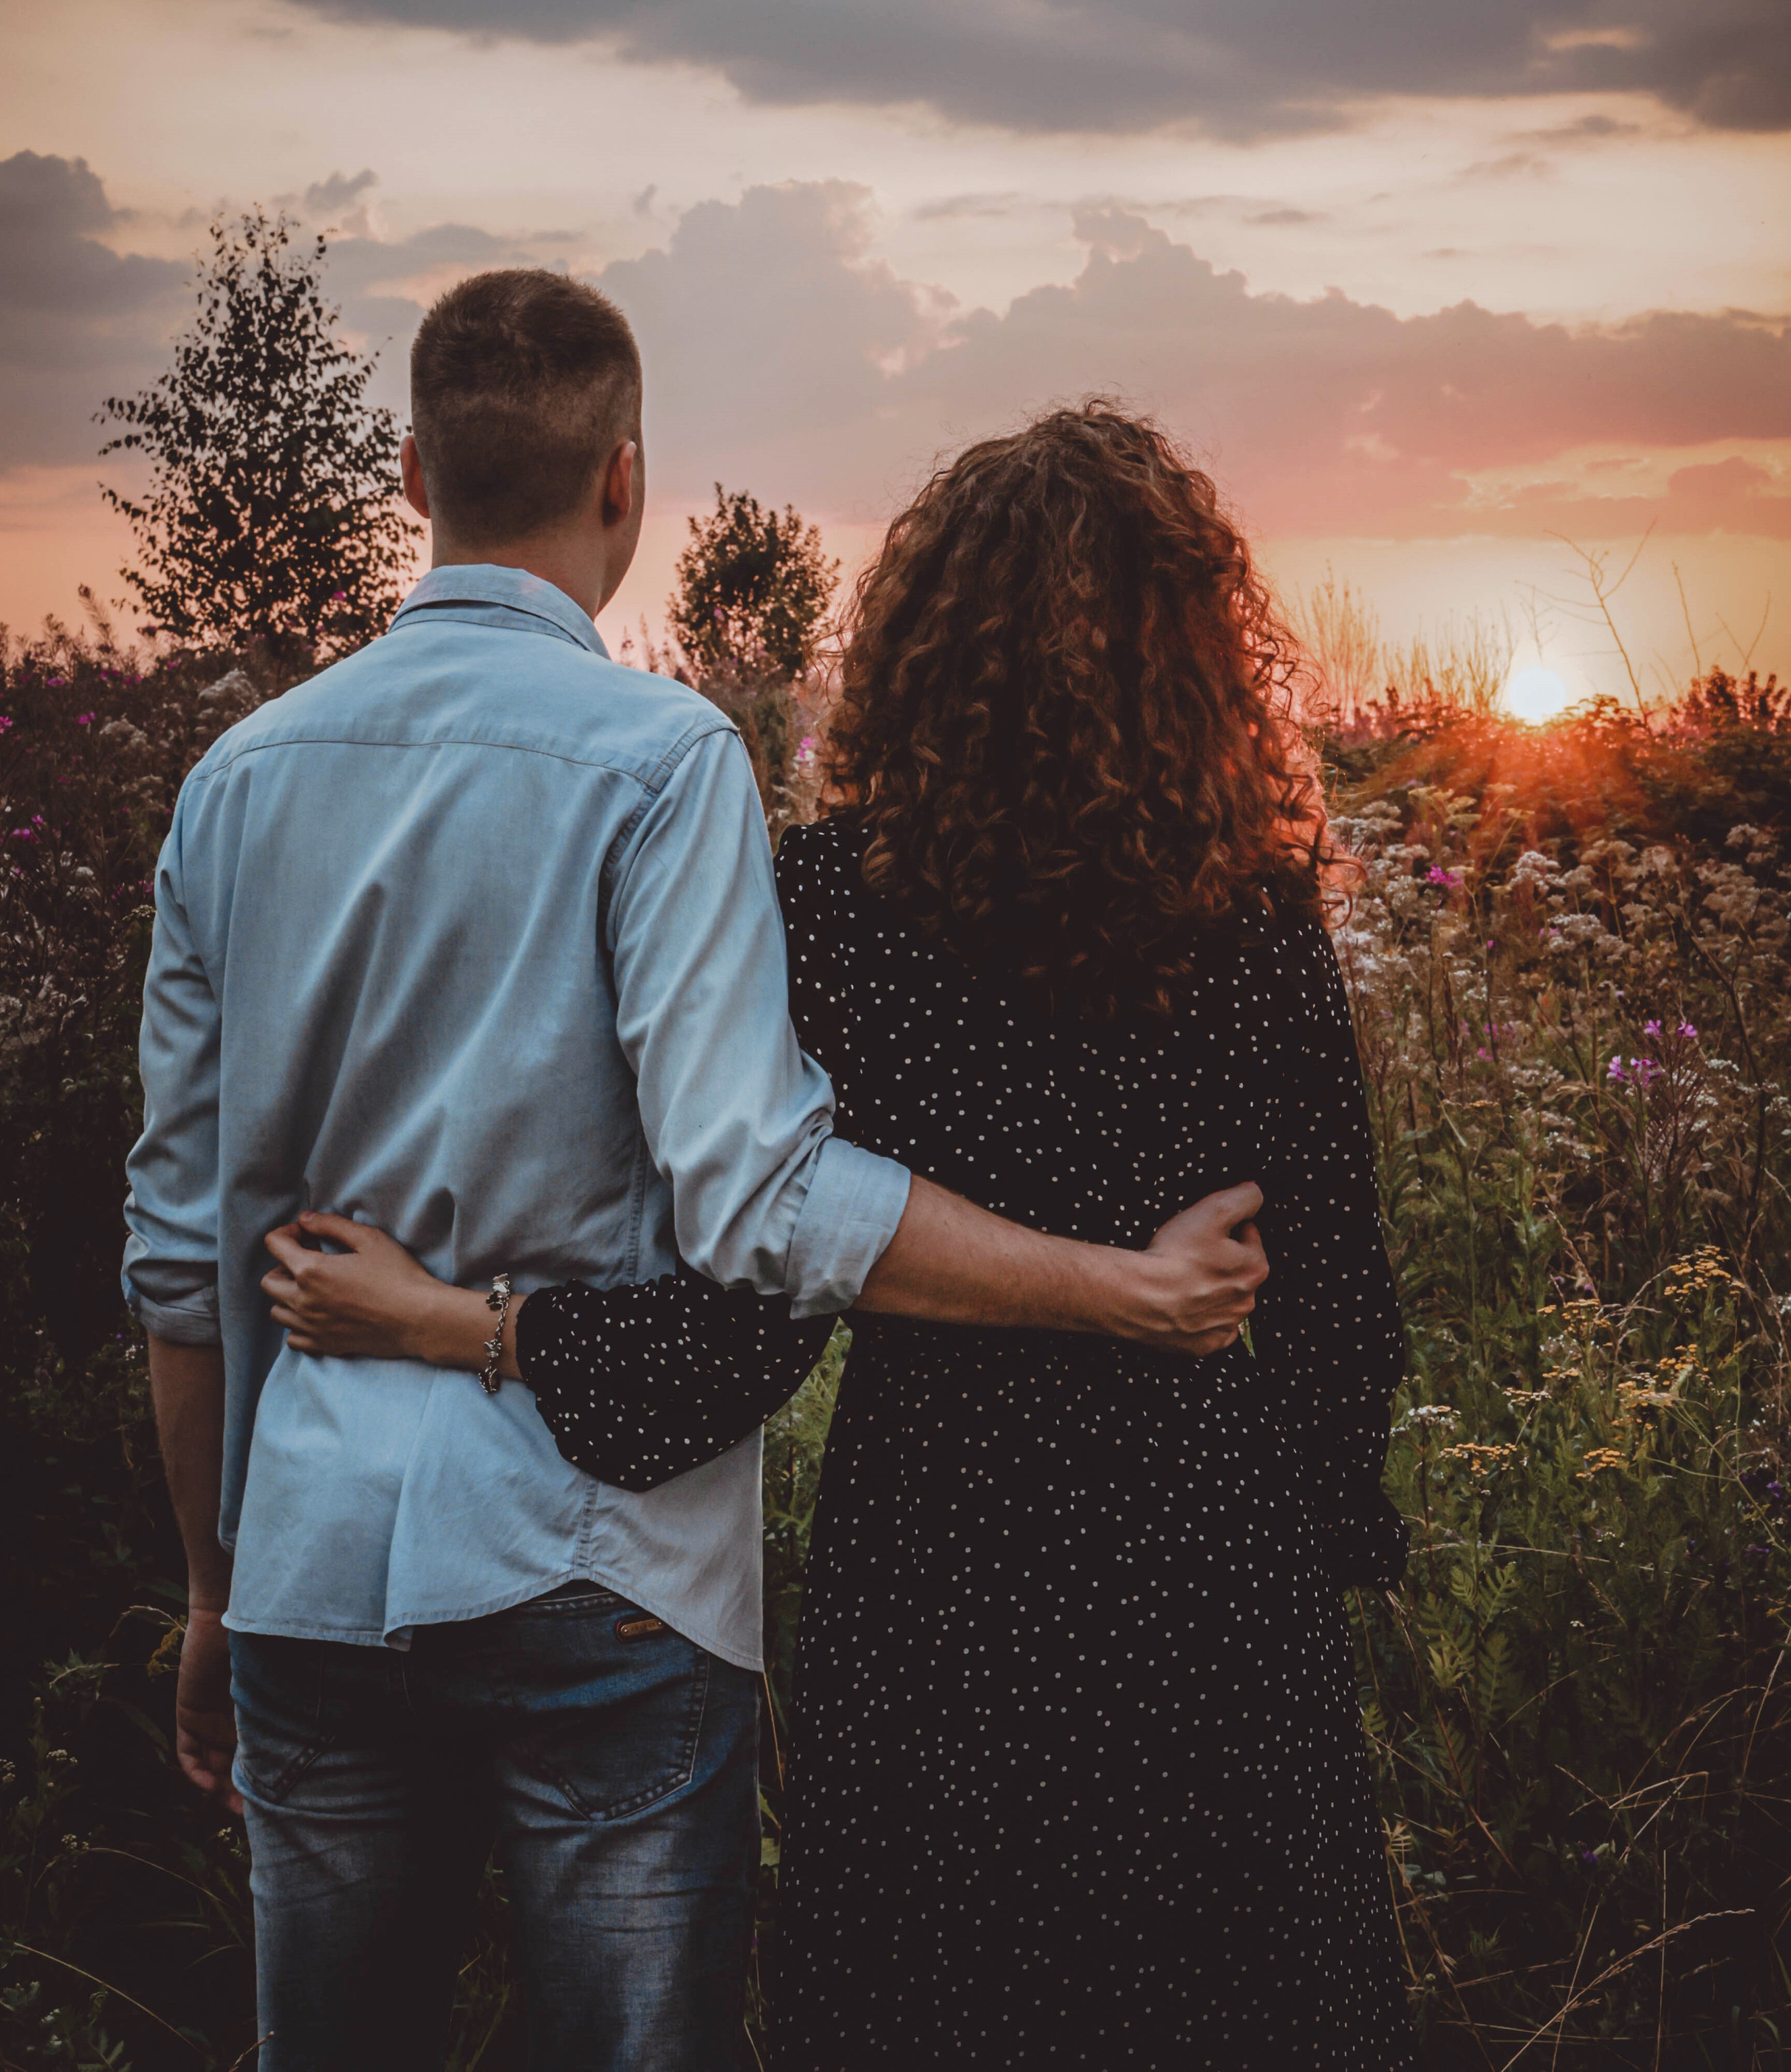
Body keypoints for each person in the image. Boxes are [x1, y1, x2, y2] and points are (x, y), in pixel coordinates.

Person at [122, 279, 1270, 2072]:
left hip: (313, 1570)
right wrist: (1112, 1285)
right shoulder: (663, 766)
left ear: (414, 469)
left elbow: (183, 1267)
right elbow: (756, 1202)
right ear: (625, 483)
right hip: (603, 1569)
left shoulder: (233, 784)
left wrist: (210, 1585)